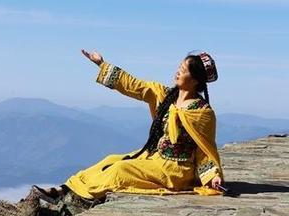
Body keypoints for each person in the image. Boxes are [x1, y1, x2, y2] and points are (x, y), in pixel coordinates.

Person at [34, 50, 224, 207]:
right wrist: (102, 64)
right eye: (179, 67)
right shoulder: (166, 95)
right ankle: (64, 189)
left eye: (183, 70)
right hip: (155, 157)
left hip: (176, 170)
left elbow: (205, 150)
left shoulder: (202, 113)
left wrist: (212, 177)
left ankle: (82, 196)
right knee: (111, 159)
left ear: (196, 80)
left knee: (120, 170)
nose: (177, 72)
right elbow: (135, 85)